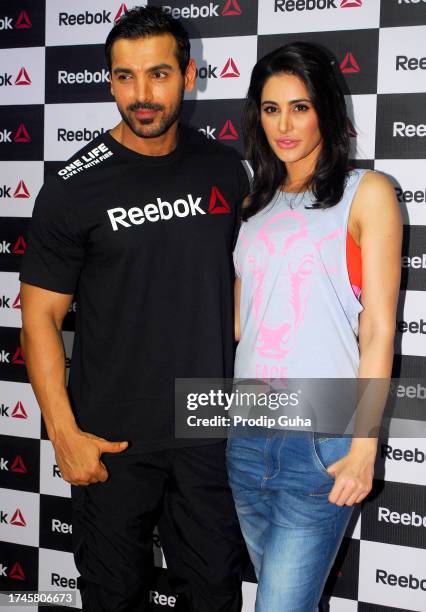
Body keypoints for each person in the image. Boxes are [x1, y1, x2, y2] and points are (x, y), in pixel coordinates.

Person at [19, 7, 250, 612]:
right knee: (112, 598)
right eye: (124, 77)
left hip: (206, 430)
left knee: (214, 594)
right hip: (110, 437)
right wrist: (64, 434)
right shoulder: (72, 186)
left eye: (158, 74)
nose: (141, 95)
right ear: (110, 81)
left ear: (189, 75)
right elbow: (39, 317)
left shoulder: (225, 167)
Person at [226, 42, 402, 611]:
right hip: (247, 434)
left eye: (300, 107)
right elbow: (239, 322)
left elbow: (378, 330)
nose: (285, 124)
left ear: (326, 108)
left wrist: (364, 444)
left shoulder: (367, 193)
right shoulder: (255, 201)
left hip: (322, 439)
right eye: (271, 108)